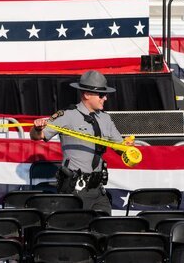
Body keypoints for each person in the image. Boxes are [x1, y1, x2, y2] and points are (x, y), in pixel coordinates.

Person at [30, 70, 133, 214]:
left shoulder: (105, 118)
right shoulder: (67, 115)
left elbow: (119, 147)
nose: (105, 99)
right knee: (78, 231)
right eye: (101, 95)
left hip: (98, 189)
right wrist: (36, 128)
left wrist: (127, 148)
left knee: (105, 228)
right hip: (75, 189)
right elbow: (37, 136)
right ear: (87, 94)